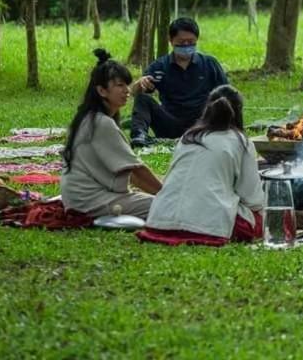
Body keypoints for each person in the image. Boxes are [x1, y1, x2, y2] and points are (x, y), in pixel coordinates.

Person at [137, 85, 265, 246]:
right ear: (239, 112)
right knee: (260, 219)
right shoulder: (241, 141)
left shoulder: (188, 136)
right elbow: (253, 200)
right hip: (207, 228)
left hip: (158, 222)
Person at [61, 49, 163, 219]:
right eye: (119, 85)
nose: (126, 90)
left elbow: (128, 172)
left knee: (162, 194)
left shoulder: (90, 117)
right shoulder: (101, 123)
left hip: (77, 199)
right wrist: (168, 195)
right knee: (167, 206)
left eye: (126, 84)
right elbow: (136, 170)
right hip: (90, 202)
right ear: (102, 91)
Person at [131, 17, 229, 147]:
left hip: (203, 122)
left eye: (191, 42)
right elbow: (135, 92)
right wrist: (139, 85)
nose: (186, 46)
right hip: (171, 123)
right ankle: (139, 136)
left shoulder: (209, 63)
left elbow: (228, 94)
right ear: (171, 41)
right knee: (142, 99)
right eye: (182, 42)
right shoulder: (160, 66)